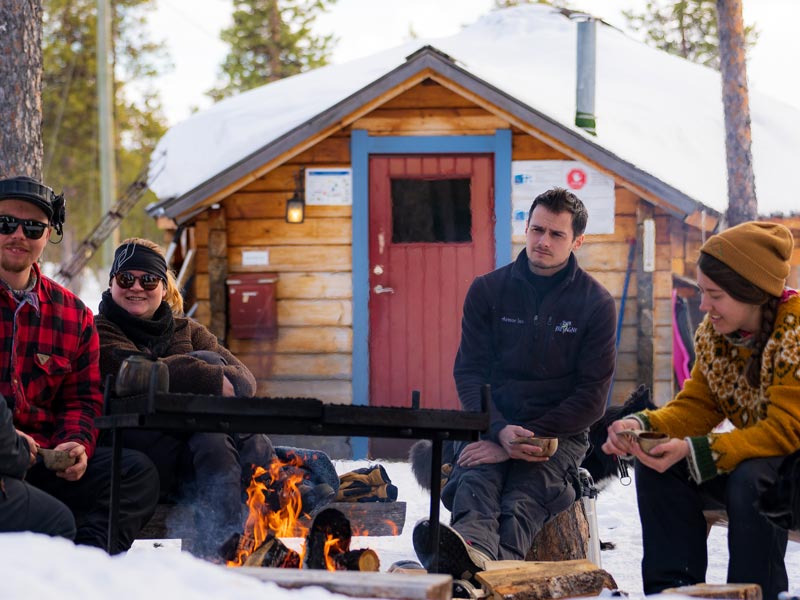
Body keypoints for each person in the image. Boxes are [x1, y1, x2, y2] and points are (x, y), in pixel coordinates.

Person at [413, 187, 617, 581]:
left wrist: (522, 440)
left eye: (556, 234)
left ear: (577, 241)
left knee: (524, 497)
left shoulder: (596, 304)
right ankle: (473, 558)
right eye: (537, 230)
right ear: (526, 228)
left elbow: (592, 398)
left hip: (557, 433)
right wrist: (498, 431)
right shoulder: (489, 291)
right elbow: (469, 373)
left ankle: (487, 577)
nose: (543, 241)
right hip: (490, 421)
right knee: (475, 481)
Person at [602, 221, 799, 600]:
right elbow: (697, 405)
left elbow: (787, 432)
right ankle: (672, 592)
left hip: (790, 474)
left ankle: (754, 593)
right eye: (702, 292)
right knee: (662, 464)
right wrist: (642, 425)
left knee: (752, 477)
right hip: (760, 465)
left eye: (715, 295)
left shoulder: (794, 331)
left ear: (752, 292)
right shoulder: (716, 335)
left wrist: (698, 450)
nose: (704, 306)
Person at [0, 175, 159, 553]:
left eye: (33, 227)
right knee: (54, 518)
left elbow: (81, 399)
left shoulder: (73, 314)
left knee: (135, 473)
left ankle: (88, 564)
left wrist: (76, 443)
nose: (18, 235)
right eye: (5, 223)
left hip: (43, 458)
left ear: (48, 234)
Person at [95, 237, 277, 559]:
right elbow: (132, 373)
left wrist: (188, 375)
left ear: (164, 288)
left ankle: (225, 551)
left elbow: (245, 380)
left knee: (211, 435)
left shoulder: (187, 330)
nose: (136, 287)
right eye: (126, 278)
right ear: (112, 284)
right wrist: (207, 375)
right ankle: (233, 547)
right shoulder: (98, 330)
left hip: (198, 457)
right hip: (138, 458)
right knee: (207, 366)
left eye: (148, 280)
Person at [0, 393, 76, 539]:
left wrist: (76, 439)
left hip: (43, 448)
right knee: (60, 521)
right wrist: (19, 445)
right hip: (16, 457)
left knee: (121, 468)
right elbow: (7, 449)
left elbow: (79, 401)